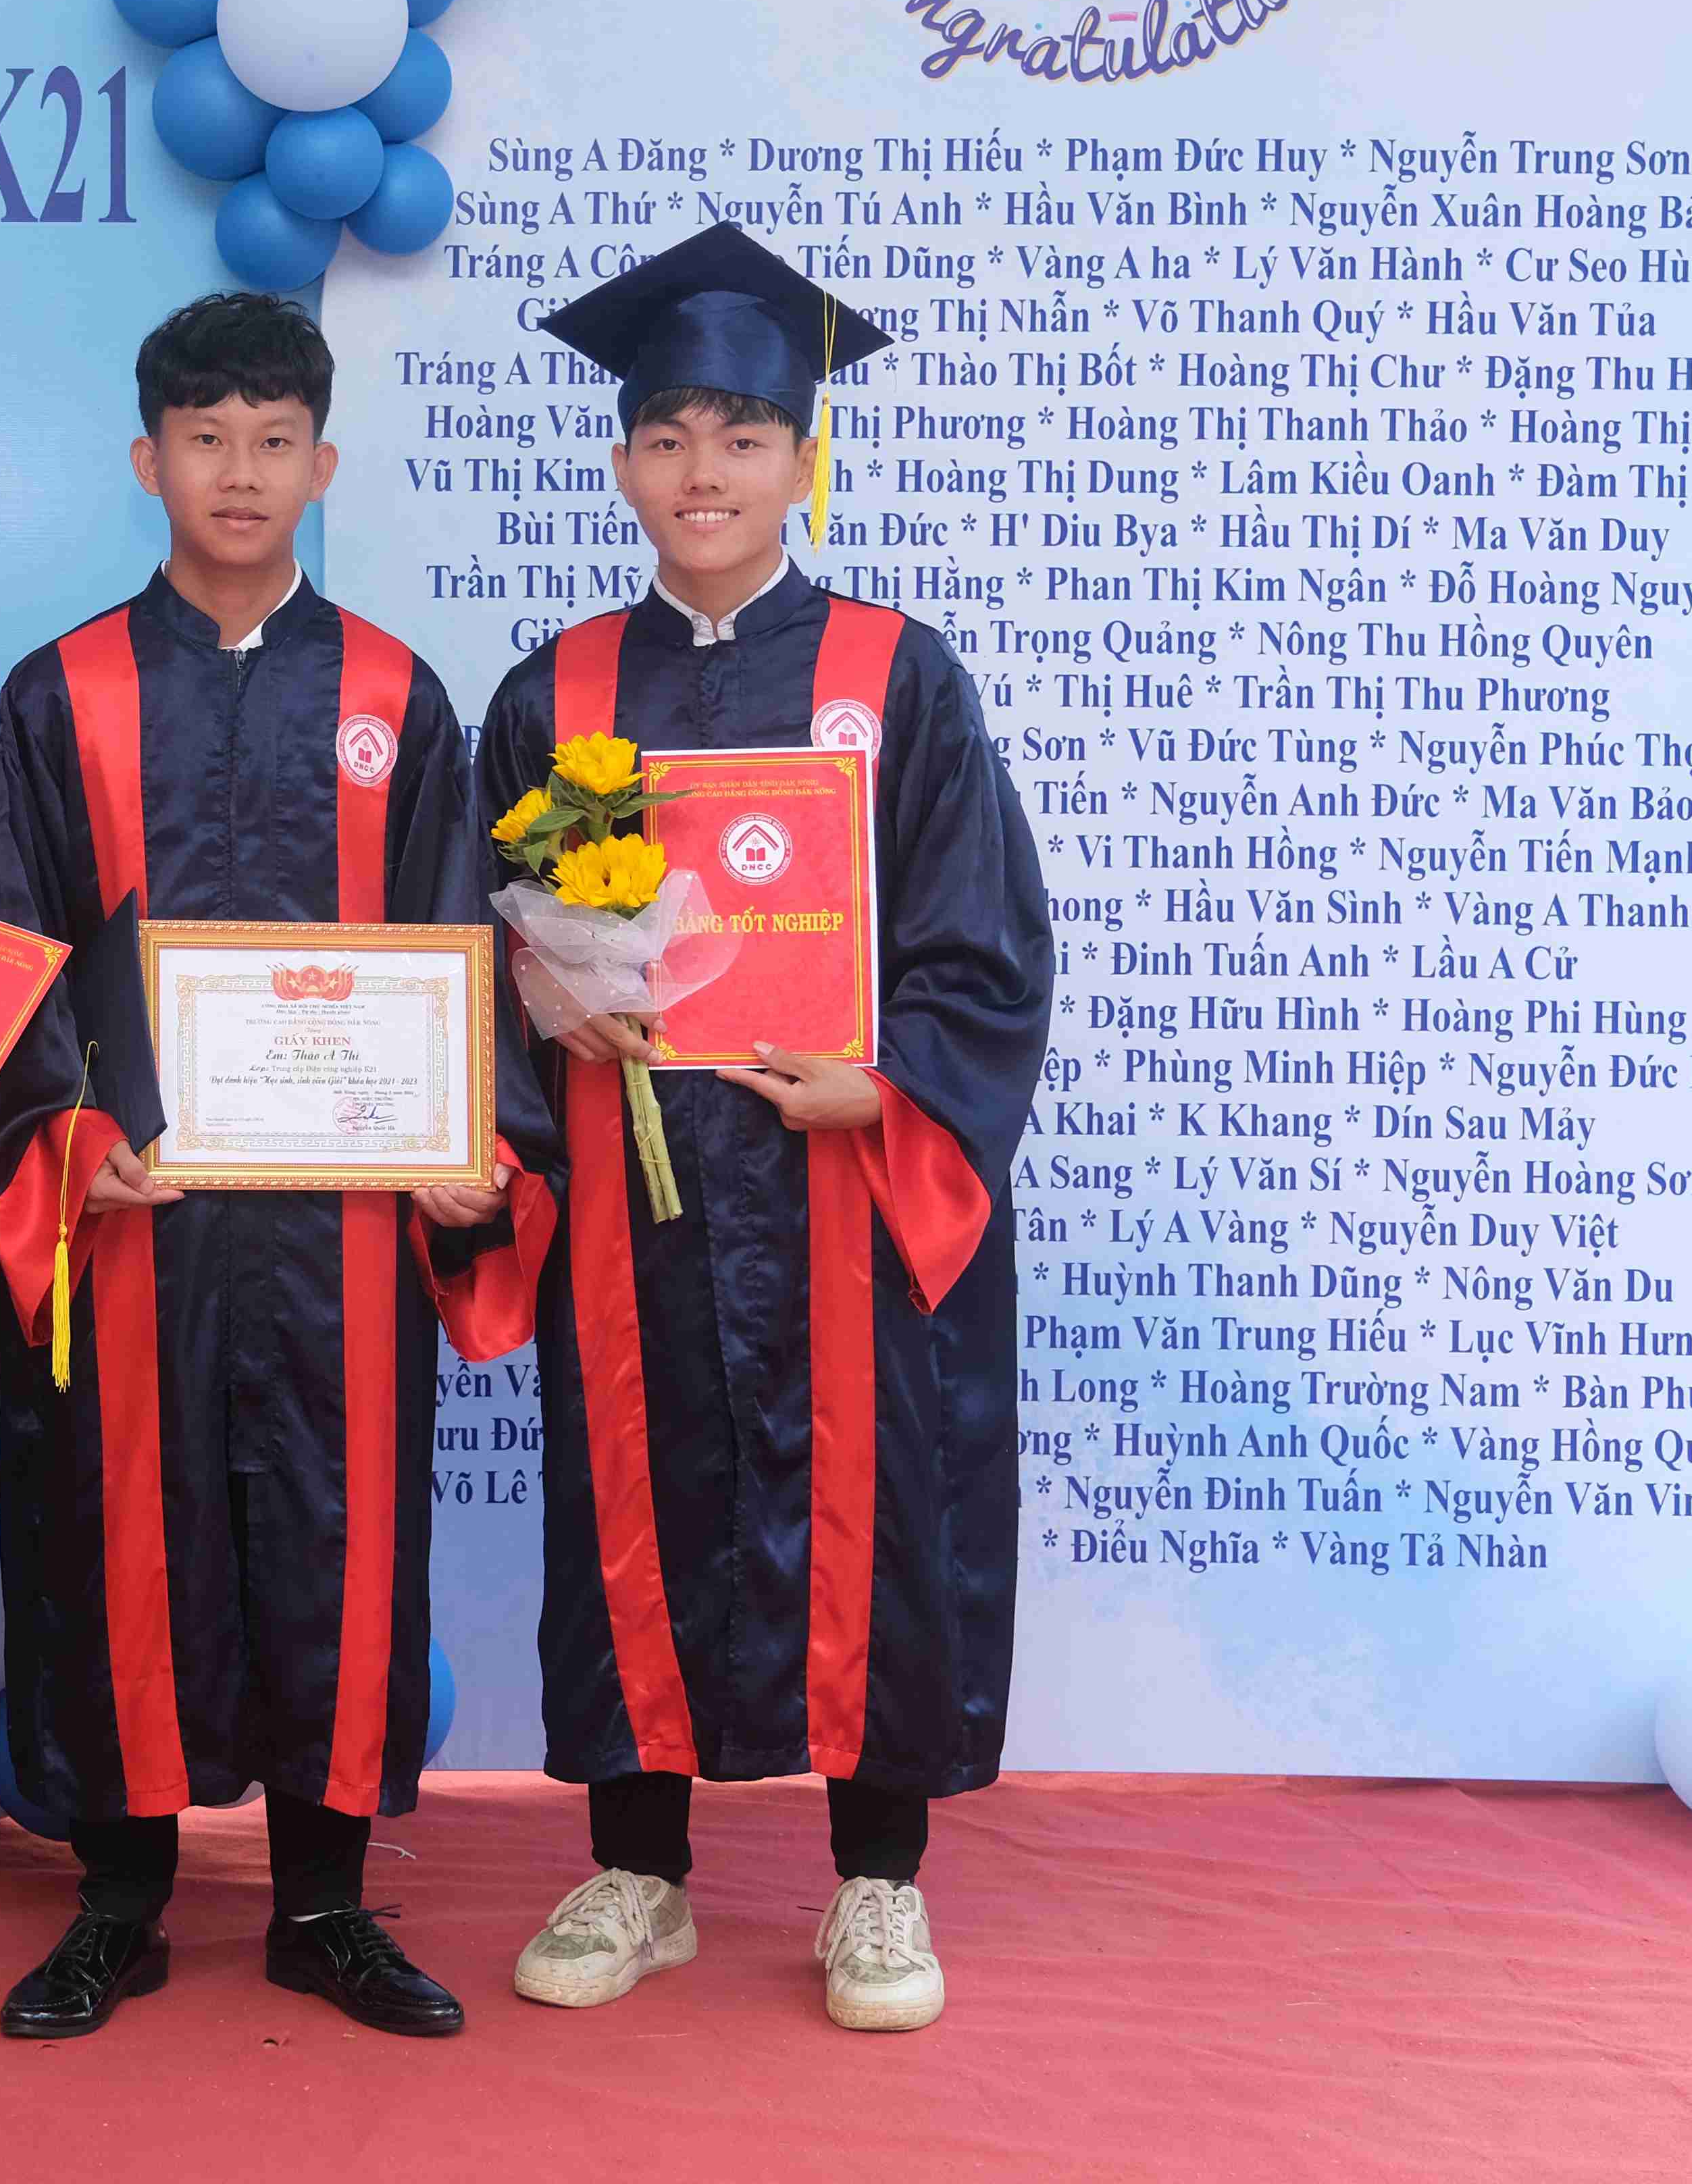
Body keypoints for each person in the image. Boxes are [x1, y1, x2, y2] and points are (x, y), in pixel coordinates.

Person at [471, 223, 1050, 2033]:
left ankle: (877, 1880)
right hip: (630, 1193)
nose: (701, 470)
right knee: (634, 1499)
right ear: (621, 463)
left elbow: (982, 940)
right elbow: (487, 952)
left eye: (740, 436)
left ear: (805, 456)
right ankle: (638, 1868)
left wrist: (889, 1083)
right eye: (665, 436)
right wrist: (548, 1010)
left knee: (872, 1513)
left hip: (837, 1188)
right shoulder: (553, 695)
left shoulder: (899, 675)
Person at [0, 292, 554, 2043]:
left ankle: (323, 1905)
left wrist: (473, 1148)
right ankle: (118, 1905)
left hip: (339, 1231)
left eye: (273, 440)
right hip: (131, 1218)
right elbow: (4, 953)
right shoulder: (59, 694)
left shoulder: (394, 696)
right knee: (113, 1532)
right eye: (206, 438)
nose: (240, 470)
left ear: (324, 463)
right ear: (147, 458)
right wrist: (66, 1133)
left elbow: (459, 945)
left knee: (334, 1531)